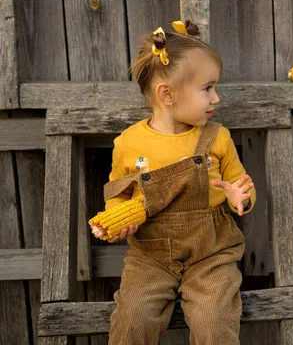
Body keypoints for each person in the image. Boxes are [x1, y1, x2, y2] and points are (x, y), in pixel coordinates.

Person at [90, 21, 256, 344]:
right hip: (150, 254)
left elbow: (241, 186)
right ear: (166, 94)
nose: (217, 98)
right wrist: (119, 219)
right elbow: (118, 193)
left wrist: (240, 199)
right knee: (132, 318)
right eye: (207, 88)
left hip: (210, 251)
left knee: (214, 321)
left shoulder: (217, 138)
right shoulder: (128, 143)